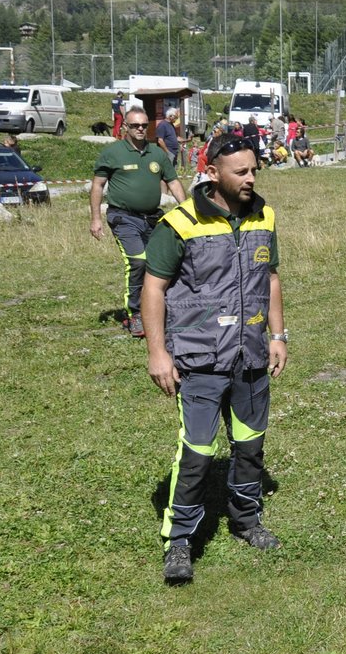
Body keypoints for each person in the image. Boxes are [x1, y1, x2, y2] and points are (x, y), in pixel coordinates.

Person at [141, 130, 289, 583]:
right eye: (240, 171)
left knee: (249, 447)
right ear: (212, 173)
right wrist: (157, 353)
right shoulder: (180, 223)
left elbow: (272, 279)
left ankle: (246, 521)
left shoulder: (264, 215)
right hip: (201, 361)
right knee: (198, 453)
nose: (251, 178)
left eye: (254, 169)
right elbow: (153, 288)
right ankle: (180, 541)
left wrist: (279, 335)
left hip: (251, 356)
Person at [89, 107, 187, 337]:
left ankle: (159, 309)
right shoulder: (112, 153)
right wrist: (95, 218)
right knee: (138, 261)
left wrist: (187, 210)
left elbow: (173, 182)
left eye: (144, 125)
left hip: (152, 218)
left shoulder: (157, 154)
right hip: (123, 217)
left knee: (161, 263)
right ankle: (134, 314)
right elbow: (97, 186)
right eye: (135, 125)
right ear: (126, 127)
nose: (141, 129)